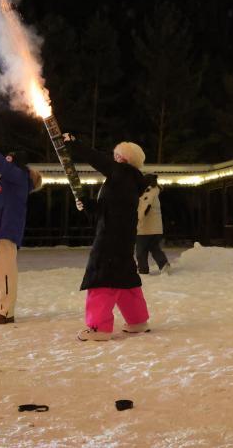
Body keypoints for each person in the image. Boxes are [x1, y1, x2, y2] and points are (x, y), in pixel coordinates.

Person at [63, 133, 151, 341]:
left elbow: (97, 159)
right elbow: (109, 208)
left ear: (123, 158)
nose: (113, 158)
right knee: (125, 278)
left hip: (110, 237)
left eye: (117, 155)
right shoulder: (128, 182)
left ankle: (99, 327)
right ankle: (137, 321)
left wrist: (75, 144)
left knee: (102, 277)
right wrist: (87, 204)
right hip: (122, 236)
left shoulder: (122, 173)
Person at [0, 137, 42, 325]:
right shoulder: (8, 181)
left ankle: (6, 310)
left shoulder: (19, 176)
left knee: (5, 271)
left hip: (7, 229)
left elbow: (2, 166)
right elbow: (0, 203)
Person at [135, 174, 171, 275]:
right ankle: (163, 264)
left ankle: (143, 269)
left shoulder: (149, 192)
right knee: (154, 248)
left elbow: (144, 208)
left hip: (145, 229)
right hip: (156, 229)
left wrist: (136, 218)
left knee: (141, 251)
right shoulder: (155, 192)